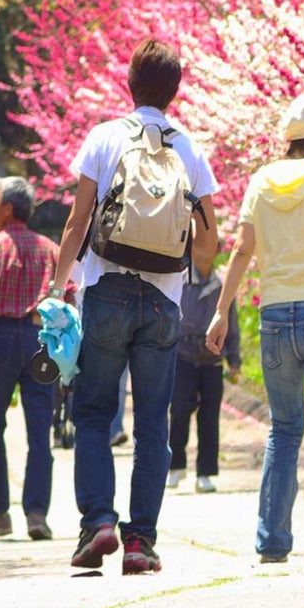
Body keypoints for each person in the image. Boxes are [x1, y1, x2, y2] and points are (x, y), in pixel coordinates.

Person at [51, 39, 218, 576]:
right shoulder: (189, 148)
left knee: (96, 412)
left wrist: (60, 288)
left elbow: (78, 222)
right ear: (175, 91)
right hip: (164, 301)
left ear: (130, 81)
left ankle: (98, 520)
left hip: (107, 290)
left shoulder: (104, 137)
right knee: (152, 422)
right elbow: (209, 241)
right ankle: (141, 541)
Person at [207, 92, 304, 565]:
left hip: (273, 316)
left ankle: (272, 541)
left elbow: (241, 249)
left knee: (284, 430)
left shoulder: (262, 180)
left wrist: (220, 310)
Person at [0, 177, 65, 541]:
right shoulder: (51, 250)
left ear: (7, 208)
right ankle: (37, 514)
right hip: (41, 341)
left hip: (3, 339)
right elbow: (65, 300)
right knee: (40, 431)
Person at [167, 254, 240, 494]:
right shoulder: (181, 280)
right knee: (179, 411)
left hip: (212, 358)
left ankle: (206, 472)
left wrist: (234, 360)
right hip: (183, 355)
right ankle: (176, 465)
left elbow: (232, 323)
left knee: (209, 417)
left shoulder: (221, 284)